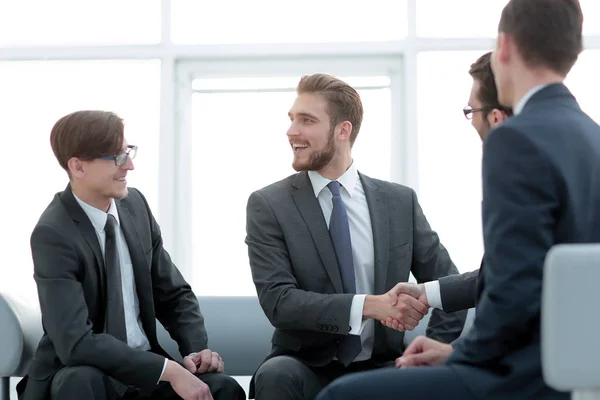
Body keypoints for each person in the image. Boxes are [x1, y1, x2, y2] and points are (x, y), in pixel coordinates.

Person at [316, 0, 596, 398]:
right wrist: (444, 327)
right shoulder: (592, 137)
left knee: (339, 395)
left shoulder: (516, 140)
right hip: (573, 373)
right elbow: (546, 272)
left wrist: (460, 355)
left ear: (505, 47)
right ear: (573, 52)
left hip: (522, 378)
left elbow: (515, 289)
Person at [245, 73, 467, 400]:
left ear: (343, 130)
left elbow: (449, 284)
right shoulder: (269, 205)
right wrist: (369, 306)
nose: (292, 131)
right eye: (292, 120)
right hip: (305, 365)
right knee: (276, 376)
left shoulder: (398, 202)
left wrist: (430, 348)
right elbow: (280, 303)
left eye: (307, 120)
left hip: (385, 364)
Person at [16, 110, 246, 400]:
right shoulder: (53, 233)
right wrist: (170, 371)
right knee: (83, 381)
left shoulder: (135, 206)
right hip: (82, 371)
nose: (130, 166)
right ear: (78, 167)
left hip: (144, 370)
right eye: (116, 158)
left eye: (127, 152)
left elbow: (174, 295)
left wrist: (195, 350)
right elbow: (75, 343)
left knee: (222, 388)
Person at [385, 51, 513, 319]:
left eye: (471, 111)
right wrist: (427, 293)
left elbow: (514, 282)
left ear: (496, 118)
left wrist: (461, 354)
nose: (473, 121)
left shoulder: (515, 176)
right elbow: (506, 272)